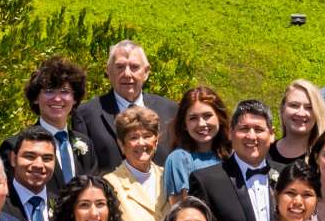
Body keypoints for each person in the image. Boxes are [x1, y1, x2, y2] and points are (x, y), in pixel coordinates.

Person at [186, 101, 278, 221]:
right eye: (244, 129)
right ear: (230, 132)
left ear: (272, 134)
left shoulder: (286, 176)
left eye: (259, 129)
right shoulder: (206, 181)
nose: (251, 136)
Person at [76, 40, 178, 172]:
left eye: (134, 67)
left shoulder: (170, 109)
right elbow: (86, 169)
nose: (127, 74)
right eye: (120, 67)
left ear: (146, 72)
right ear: (108, 71)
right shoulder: (86, 114)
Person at [105, 106, 167, 221]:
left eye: (147, 136)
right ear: (121, 145)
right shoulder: (109, 184)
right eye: (133, 137)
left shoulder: (168, 177)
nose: (141, 143)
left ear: (156, 141)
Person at [22, 54, 99, 186]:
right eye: (49, 91)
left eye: (64, 91)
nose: (57, 99)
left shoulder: (86, 144)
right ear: (36, 98)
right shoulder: (19, 145)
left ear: (75, 98)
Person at [164, 85, 229, 198]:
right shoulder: (179, 159)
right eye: (193, 118)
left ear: (219, 117)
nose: (201, 124)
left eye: (207, 116)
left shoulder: (231, 153)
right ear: (184, 124)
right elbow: (181, 210)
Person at [3, 127, 59, 221]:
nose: (38, 165)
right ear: (13, 159)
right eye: (29, 156)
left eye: (47, 158)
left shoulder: (63, 206)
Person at [275, 79, 325, 164]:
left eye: (309, 107)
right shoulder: (263, 153)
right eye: (294, 105)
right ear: (282, 109)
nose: (301, 113)